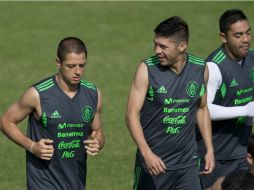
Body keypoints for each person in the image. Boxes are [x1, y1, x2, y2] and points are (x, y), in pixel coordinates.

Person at [0, 37, 105, 190]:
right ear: (58, 62)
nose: (77, 72)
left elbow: (98, 132)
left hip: (76, 182)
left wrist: (98, 143)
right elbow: (6, 121)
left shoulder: (93, 94)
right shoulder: (38, 94)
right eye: (71, 66)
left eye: (82, 65)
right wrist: (32, 146)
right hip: (43, 183)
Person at [125, 16, 214, 190]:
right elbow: (131, 114)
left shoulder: (200, 68)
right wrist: (146, 153)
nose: (157, 50)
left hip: (187, 166)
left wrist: (209, 149)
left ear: (182, 46)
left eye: (163, 46)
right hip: (154, 165)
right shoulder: (146, 69)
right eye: (156, 44)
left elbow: (202, 109)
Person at [197, 9, 254, 190]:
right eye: (238, 35)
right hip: (216, 157)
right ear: (223, 37)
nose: (245, 39)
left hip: (244, 152)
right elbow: (204, 108)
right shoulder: (214, 66)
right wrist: (245, 110)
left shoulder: (252, 58)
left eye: (248, 32)